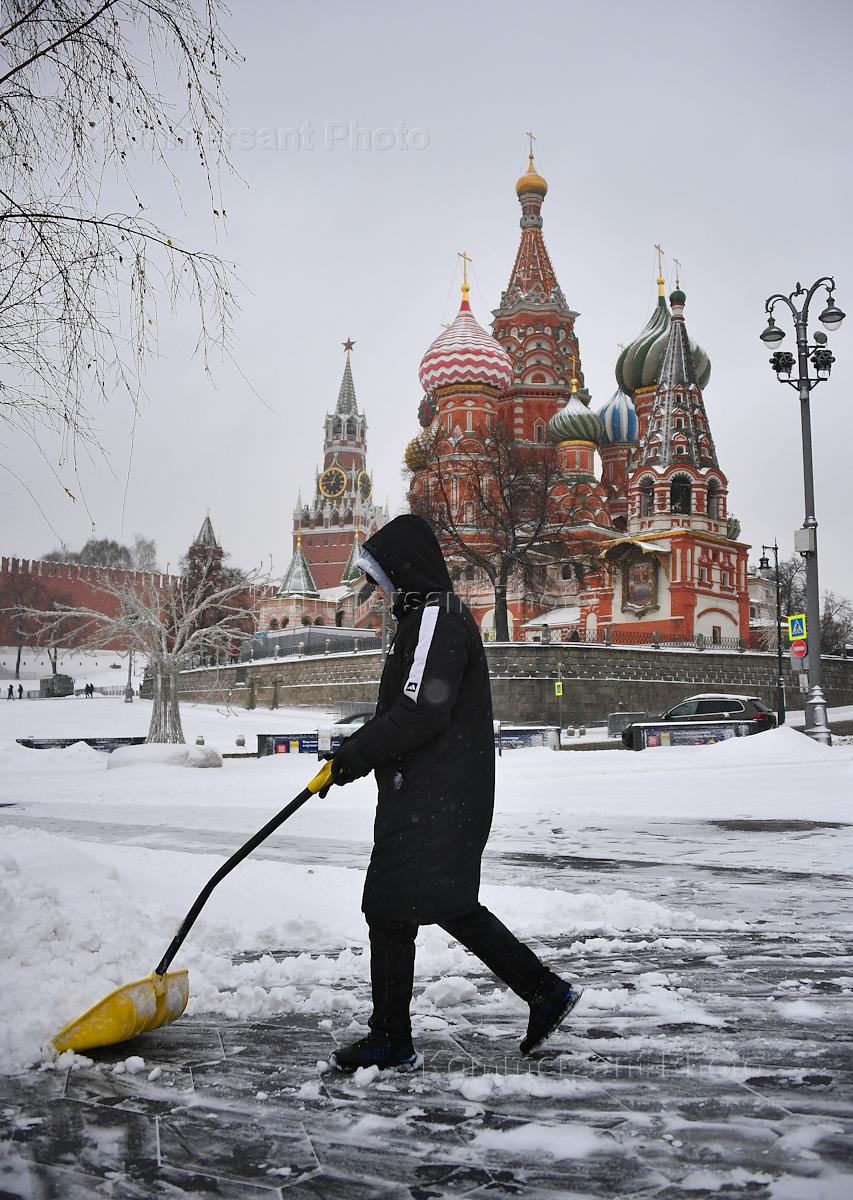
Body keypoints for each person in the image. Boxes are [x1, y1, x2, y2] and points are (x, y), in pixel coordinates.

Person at [325, 515, 582, 1072]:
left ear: (403, 569)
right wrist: (357, 755)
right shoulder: (427, 617)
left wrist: (355, 755)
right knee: (439, 905)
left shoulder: (436, 617)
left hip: (433, 798)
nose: (379, 591)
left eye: (382, 578)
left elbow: (421, 710)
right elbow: (409, 708)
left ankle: (391, 1039)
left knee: (391, 908)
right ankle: (543, 991)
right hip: (437, 793)